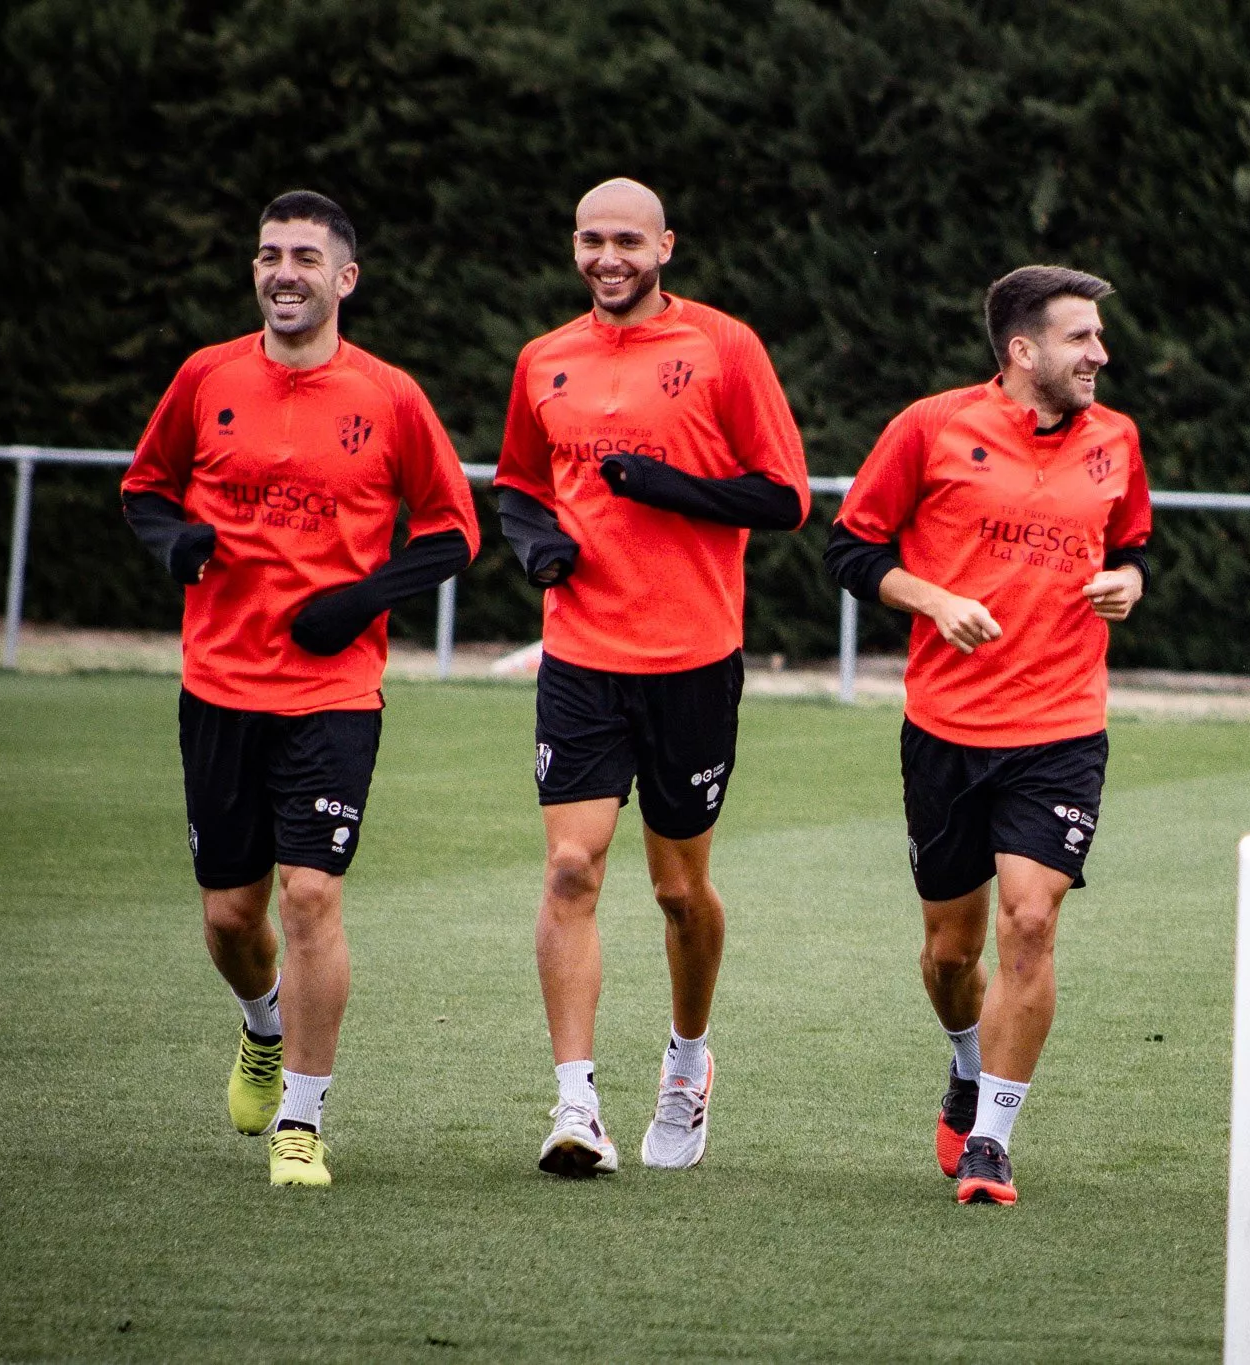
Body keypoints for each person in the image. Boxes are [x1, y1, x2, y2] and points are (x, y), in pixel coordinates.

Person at [121, 191, 481, 1187]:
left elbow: (454, 531)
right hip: (220, 688)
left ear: (344, 279)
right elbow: (142, 490)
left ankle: (302, 1121)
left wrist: (359, 600)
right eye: (270, 254)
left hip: (332, 694)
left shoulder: (392, 397)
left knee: (312, 896)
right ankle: (261, 1026)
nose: (284, 271)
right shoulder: (205, 378)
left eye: (304, 258)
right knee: (232, 921)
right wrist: (177, 541)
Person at [494, 179, 810, 1178]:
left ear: (664, 244)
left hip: (692, 660)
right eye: (590, 238)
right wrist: (537, 544)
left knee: (679, 892)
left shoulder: (725, 348)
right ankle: (575, 1105)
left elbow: (785, 496)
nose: (607, 256)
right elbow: (517, 482)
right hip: (582, 655)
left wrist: (663, 485)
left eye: (626, 238)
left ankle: (685, 1059)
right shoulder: (543, 358)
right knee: (570, 869)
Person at [823, 265, 1153, 1206]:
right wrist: (933, 598)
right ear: (1022, 350)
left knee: (1032, 921)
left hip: (1062, 727)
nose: (1100, 353)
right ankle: (967, 1063)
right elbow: (851, 546)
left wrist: (1128, 584)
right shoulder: (930, 427)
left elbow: (1130, 548)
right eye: (1081, 338)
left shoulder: (1118, 440)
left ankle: (993, 1142)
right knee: (950, 953)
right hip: (945, 728)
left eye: (1098, 336)